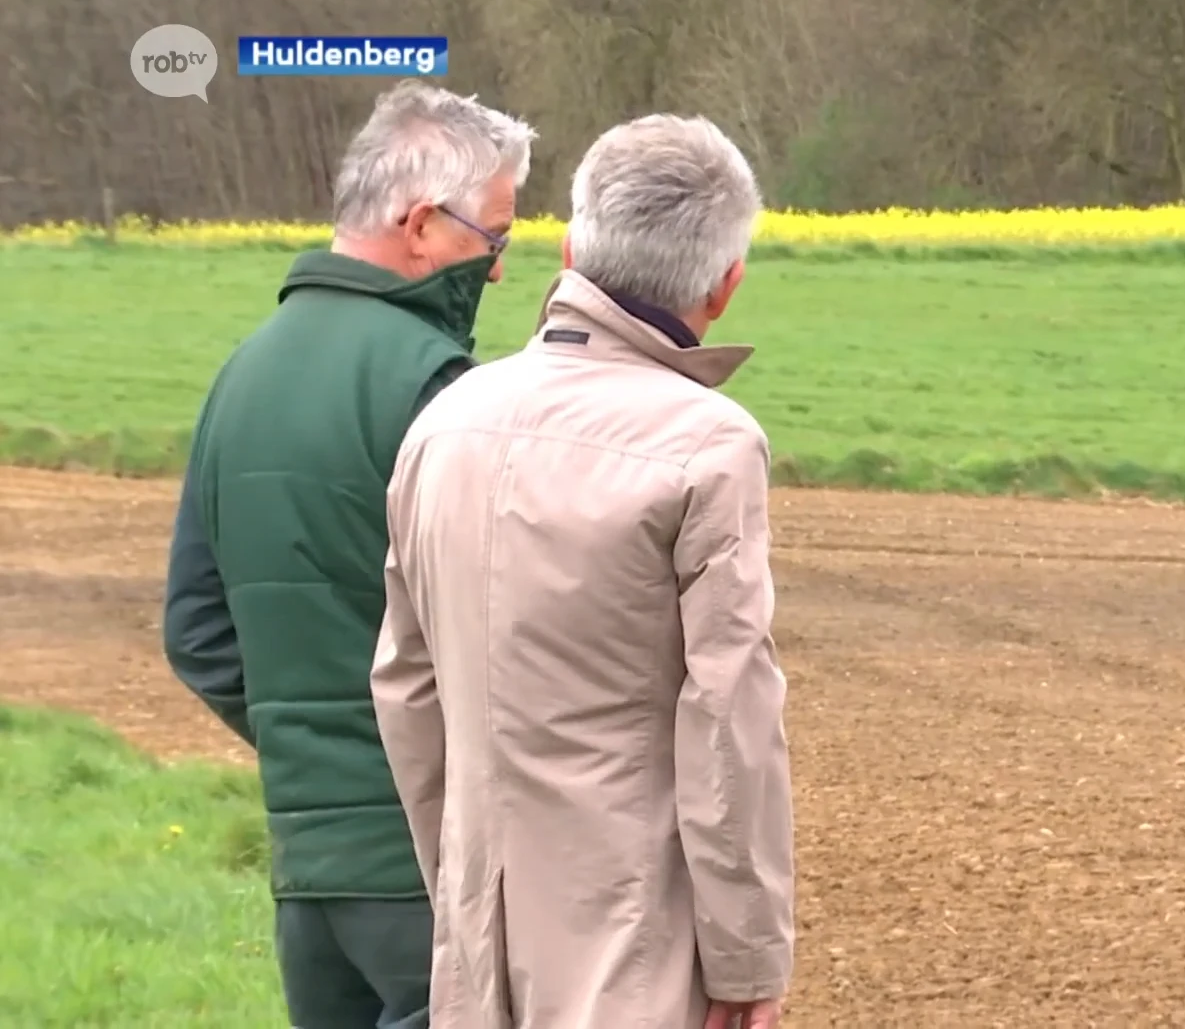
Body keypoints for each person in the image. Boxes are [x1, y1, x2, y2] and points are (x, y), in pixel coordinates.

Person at [370, 113, 796, 1028]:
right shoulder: (711, 446)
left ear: (567, 250)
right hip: (636, 947)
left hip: (478, 940)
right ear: (725, 287)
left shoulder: (444, 422)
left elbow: (406, 690)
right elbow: (729, 723)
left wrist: (461, 887)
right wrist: (747, 958)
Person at [160, 79, 537, 1029]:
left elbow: (197, 631)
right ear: (420, 225)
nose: (495, 271)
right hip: (429, 870)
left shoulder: (238, 378)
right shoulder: (440, 390)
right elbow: (511, 638)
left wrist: (317, 753)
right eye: (491, 239)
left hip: (309, 878)